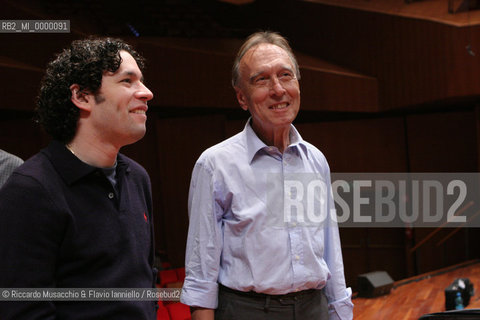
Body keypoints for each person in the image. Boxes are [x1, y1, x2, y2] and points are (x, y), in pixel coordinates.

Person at [181, 31, 353, 320]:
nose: (278, 89)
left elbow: (330, 251)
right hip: (249, 311)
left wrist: (341, 312)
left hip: (315, 309)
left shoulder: (316, 160)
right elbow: (201, 270)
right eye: (262, 79)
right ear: (242, 98)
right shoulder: (215, 164)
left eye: (286, 75)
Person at [0, 38, 156, 319]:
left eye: (141, 81)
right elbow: (24, 311)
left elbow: (145, 283)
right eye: (127, 81)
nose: (146, 93)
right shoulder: (30, 189)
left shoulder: (138, 178)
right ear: (82, 96)